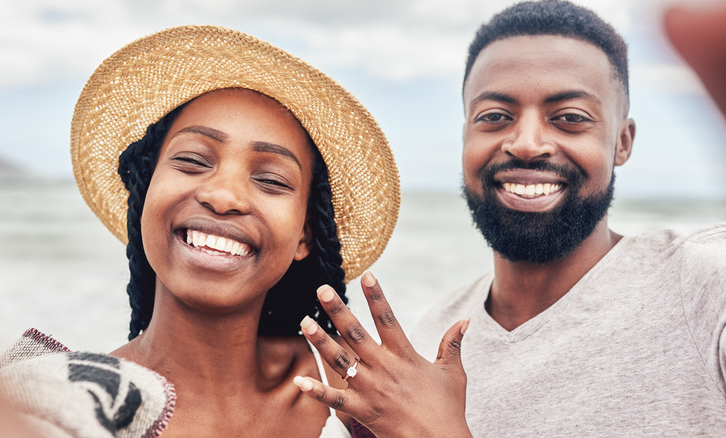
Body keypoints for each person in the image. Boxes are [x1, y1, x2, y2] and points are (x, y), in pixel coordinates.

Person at [293, 1, 726, 437]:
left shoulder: (705, 286)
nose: (526, 143)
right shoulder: (425, 348)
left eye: (570, 118)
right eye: (495, 117)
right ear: (466, 136)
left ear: (622, 142)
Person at [0, 25, 400, 437]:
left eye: (272, 180)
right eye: (193, 160)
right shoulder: (51, 402)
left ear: (305, 237)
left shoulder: (360, 395)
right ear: (144, 196)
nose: (222, 196)